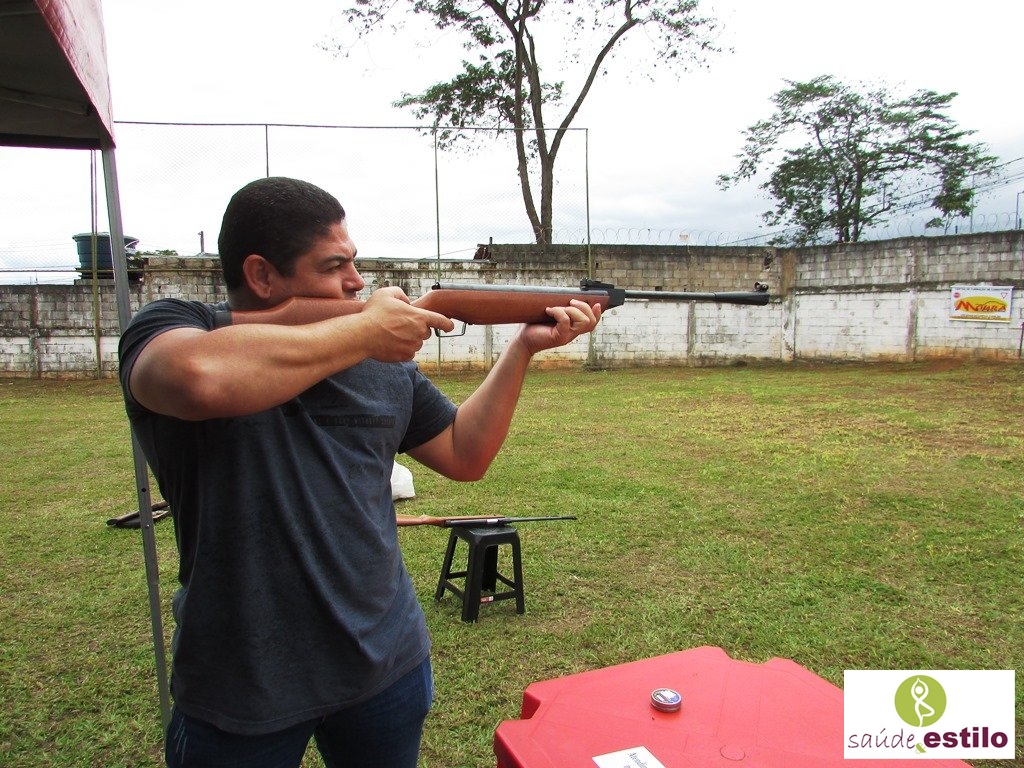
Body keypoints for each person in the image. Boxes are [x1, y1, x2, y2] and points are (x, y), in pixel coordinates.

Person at [118, 176, 601, 768]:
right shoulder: (176, 326)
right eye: (334, 266)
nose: (356, 281)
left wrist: (521, 348)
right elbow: (195, 378)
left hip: (385, 665)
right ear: (262, 275)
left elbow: (464, 453)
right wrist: (367, 329)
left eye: (355, 261)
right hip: (241, 680)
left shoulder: (380, 359)